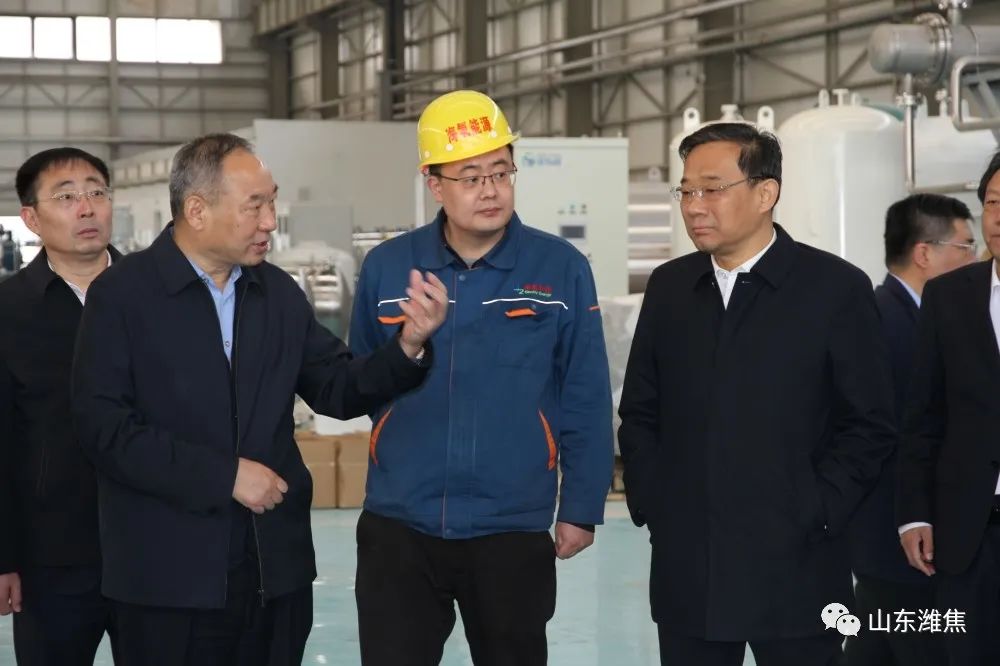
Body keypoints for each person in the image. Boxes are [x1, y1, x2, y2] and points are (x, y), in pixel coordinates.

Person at [70, 133, 448, 666]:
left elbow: (336, 386)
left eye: (272, 202)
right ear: (196, 210)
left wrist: (407, 346)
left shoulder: (276, 294)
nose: (270, 221)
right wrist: (223, 475)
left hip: (275, 573)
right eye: (255, 206)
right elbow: (104, 429)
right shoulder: (122, 297)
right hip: (166, 582)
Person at [348, 90, 614, 666]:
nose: (490, 190)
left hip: (511, 525)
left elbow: (586, 393)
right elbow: (361, 380)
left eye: (501, 172)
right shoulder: (389, 268)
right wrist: (408, 345)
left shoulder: (560, 269)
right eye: (470, 177)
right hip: (401, 524)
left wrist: (581, 505)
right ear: (434, 183)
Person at [618, 122, 895, 666]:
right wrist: (655, 502)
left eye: (712, 189)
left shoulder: (833, 288)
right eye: (686, 191)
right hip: (690, 566)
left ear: (765, 193)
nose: (694, 206)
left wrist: (817, 509)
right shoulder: (671, 288)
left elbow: (869, 423)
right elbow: (641, 411)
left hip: (797, 565)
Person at [0, 148, 120, 665]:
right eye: (66, 197)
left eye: (96, 192)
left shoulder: (159, 296)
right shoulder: (9, 311)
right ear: (31, 218)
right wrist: (4, 557)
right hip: (51, 557)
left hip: (157, 546)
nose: (86, 207)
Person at [844, 193, 975, 666]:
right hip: (898, 540)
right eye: (965, 247)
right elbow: (901, 435)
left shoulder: (910, 317)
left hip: (890, 544)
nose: (975, 259)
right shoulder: (893, 324)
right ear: (925, 253)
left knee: (875, 647)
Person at [897, 151, 1000, 664]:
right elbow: (923, 416)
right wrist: (914, 514)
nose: (999, 216)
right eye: (993, 202)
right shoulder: (948, 297)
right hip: (967, 533)